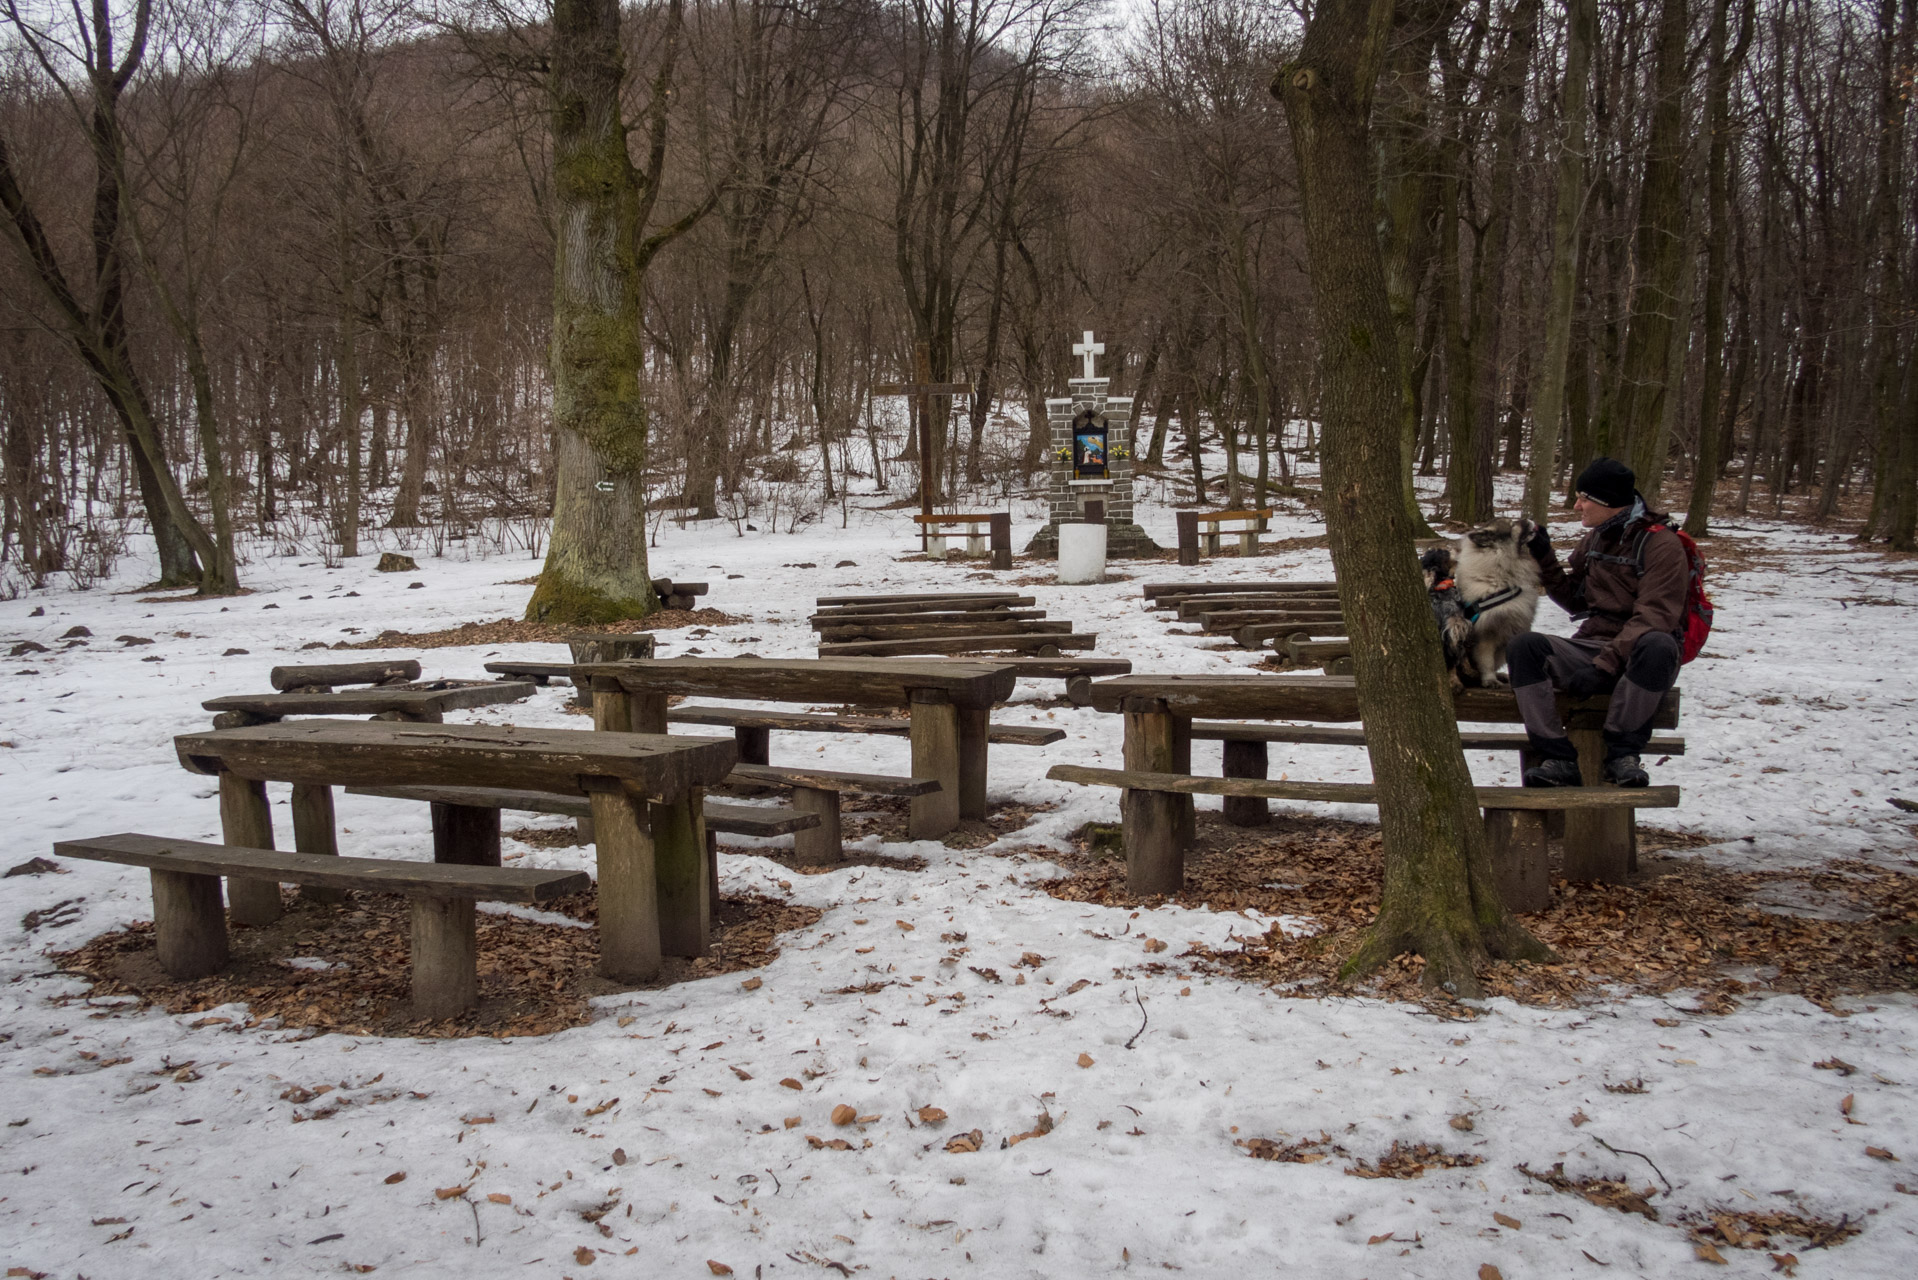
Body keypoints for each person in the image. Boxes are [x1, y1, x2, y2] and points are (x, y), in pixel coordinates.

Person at [1509, 457, 1688, 788]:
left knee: (1658, 644)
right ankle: (1557, 757)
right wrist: (1544, 557)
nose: (1577, 505)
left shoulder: (1662, 544)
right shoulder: (1595, 538)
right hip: (1594, 646)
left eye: (1584, 498)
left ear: (1608, 502)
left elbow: (1654, 617)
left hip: (1640, 656)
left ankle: (1623, 755)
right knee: (1524, 647)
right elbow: (1577, 600)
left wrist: (1604, 665)